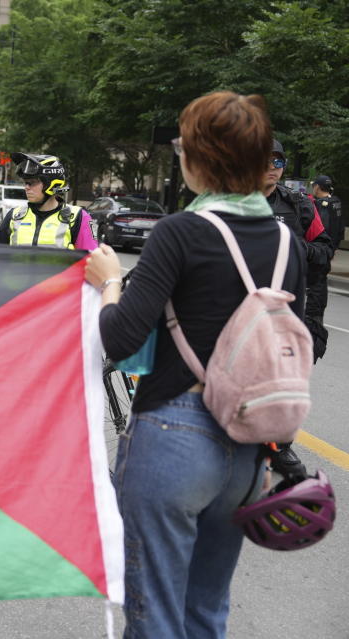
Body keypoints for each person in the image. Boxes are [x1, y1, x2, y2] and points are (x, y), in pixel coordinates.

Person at [86, 91, 307, 639]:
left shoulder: (180, 231)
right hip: (247, 451)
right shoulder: (286, 242)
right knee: (206, 611)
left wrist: (110, 280)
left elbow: (119, 335)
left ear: (201, 158)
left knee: (155, 614)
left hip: (174, 436)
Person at [262, 139, 332, 363]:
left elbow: (324, 252)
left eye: (277, 161)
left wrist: (313, 322)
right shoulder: (230, 204)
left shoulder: (299, 205)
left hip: (286, 314)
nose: (272, 166)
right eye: (264, 160)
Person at [0, 153, 98, 250]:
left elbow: (91, 259)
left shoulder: (78, 218)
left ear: (51, 184)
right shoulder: (14, 216)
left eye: (32, 183)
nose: (26, 187)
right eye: (25, 183)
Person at [310, 175, 342, 251]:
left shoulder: (320, 204)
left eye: (313, 186)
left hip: (322, 247)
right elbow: (341, 226)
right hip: (333, 244)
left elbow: (322, 228)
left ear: (317, 187)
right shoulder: (336, 201)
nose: (313, 188)